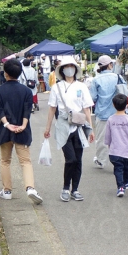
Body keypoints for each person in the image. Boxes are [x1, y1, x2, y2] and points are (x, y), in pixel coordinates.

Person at [44, 56, 94, 202]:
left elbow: (87, 108)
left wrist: (90, 129)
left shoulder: (82, 86)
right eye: (67, 66)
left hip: (79, 127)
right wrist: (47, 128)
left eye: (72, 66)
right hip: (63, 126)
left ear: (76, 69)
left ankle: (75, 189)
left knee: (78, 160)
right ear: (62, 70)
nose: (69, 69)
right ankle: (66, 187)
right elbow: (52, 109)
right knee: (70, 159)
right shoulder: (56, 87)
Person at [0, 59, 43, 204]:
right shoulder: (26, 91)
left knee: (5, 161)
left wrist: (7, 124)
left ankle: (7, 191)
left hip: (5, 130)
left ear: (5, 73)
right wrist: (23, 125)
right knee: (25, 161)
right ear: (19, 73)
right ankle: (30, 188)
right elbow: (28, 110)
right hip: (22, 130)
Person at [90, 55, 126, 168]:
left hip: (102, 113)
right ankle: (121, 159)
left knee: (101, 139)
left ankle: (101, 160)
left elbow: (93, 97)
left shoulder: (96, 80)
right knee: (118, 138)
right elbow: (124, 93)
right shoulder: (118, 76)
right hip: (118, 112)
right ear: (110, 65)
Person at [105, 94, 128, 197]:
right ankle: (125, 182)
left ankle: (120, 187)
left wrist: (109, 146)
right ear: (127, 105)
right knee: (127, 168)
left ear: (113, 105)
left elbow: (108, 136)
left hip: (115, 150)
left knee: (118, 169)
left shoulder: (111, 120)